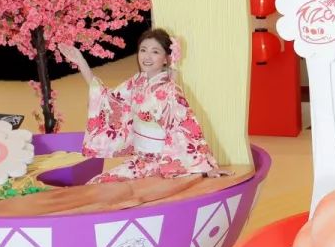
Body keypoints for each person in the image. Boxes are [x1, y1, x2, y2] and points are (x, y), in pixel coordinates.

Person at [59, 29, 219, 183]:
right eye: (143, 50)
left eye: (155, 51)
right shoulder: (136, 82)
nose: (147, 56)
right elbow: (108, 99)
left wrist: (206, 166)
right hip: (139, 161)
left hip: (161, 164)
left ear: (166, 58)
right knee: (97, 183)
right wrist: (81, 62)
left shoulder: (170, 90)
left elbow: (188, 128)